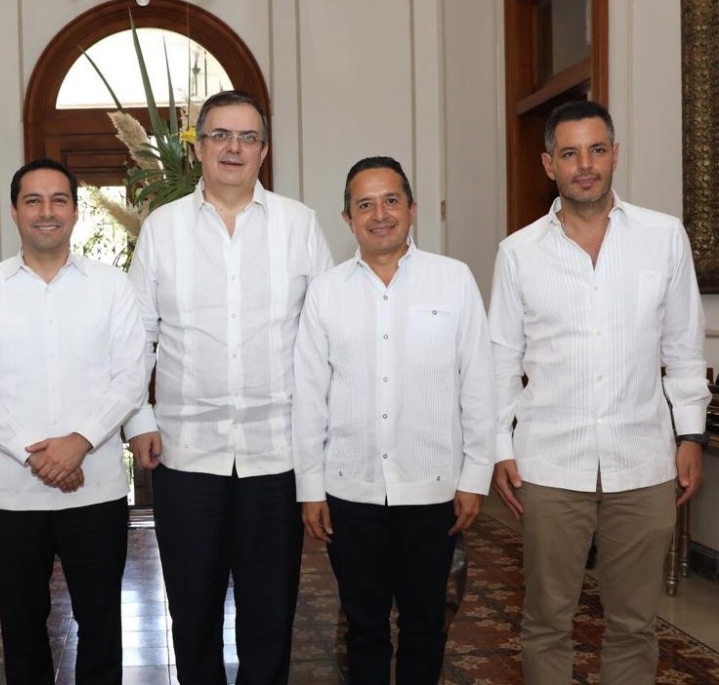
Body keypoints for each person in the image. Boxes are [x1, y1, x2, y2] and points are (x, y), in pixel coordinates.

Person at [489, 100, 711, 684]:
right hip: (549, 465)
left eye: (595, 150)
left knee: (635, 624)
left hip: (643, 461)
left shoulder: (663, 238)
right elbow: (499, 361)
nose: (584, 165)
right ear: (549, 165)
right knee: (546, 622)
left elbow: (684, 348)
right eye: (569, 153)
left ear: (615, 155)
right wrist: (500, 447)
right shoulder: (518, 253)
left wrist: (691, 435)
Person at [125, 89, 334, 684]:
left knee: (271, 615)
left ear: (264, 150)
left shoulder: (299, 225)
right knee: (192, 613)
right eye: (220, 135)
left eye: (247, 137)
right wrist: (139, 419)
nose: (233, 148)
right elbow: (136, 337)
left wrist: (320, 443)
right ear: (198, 147)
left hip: (276, 455)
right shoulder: (162, 229)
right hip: (186, 454)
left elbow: (324, 339)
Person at [292, 156, 495, 684]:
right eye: (365, 205)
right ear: (347, 218)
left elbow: (478, 382)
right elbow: (309, 396)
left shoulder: (453, 280)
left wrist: (475, 477)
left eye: (390, 201)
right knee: (363, 629)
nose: (379, 215)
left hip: (432, 489)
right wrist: (310, 487)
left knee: (426, 625)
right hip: (350, 490)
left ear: (412, 208)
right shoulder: (326, 291)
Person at [0, 157, 145, 685]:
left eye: (59, 200)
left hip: (96, 489)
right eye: (33, 200)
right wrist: (33, 452)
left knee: (101, 624)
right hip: (13, 495)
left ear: (75, 212)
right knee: (21, 628)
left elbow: (131, 375)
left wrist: (79, 441)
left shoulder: (111, 286)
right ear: (14, 211)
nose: (46, 211)